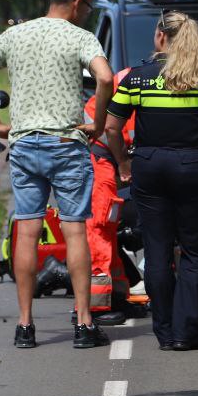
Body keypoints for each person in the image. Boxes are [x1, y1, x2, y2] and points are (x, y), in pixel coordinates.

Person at [0, 0, 114, 351]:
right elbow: (105, 78)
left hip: (25, 145)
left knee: (27, 231)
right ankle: (83, 324)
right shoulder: (79, 37)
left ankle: (25, 325)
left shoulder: (15, 34)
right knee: (74, 230)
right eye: (88, 9)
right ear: (77, 3)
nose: (87, 16)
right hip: (66, 144)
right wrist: (97, 123)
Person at [104, 10, 198, 352]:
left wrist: (123, 162)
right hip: (195, 167)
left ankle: (164, 332)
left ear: (161, 37)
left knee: (157, 250)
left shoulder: (137, 77)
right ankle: (185, 331)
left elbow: (111, 127)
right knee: (195, 252)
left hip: (149, 166)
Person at [82, 67, 136, 328]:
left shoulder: (123, 85)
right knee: (98, 231)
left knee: (107, 231)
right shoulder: (131, 88)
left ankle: (116, 296)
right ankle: (96, 307)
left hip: (103, 163)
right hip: (99, 163)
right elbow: (119, 132)